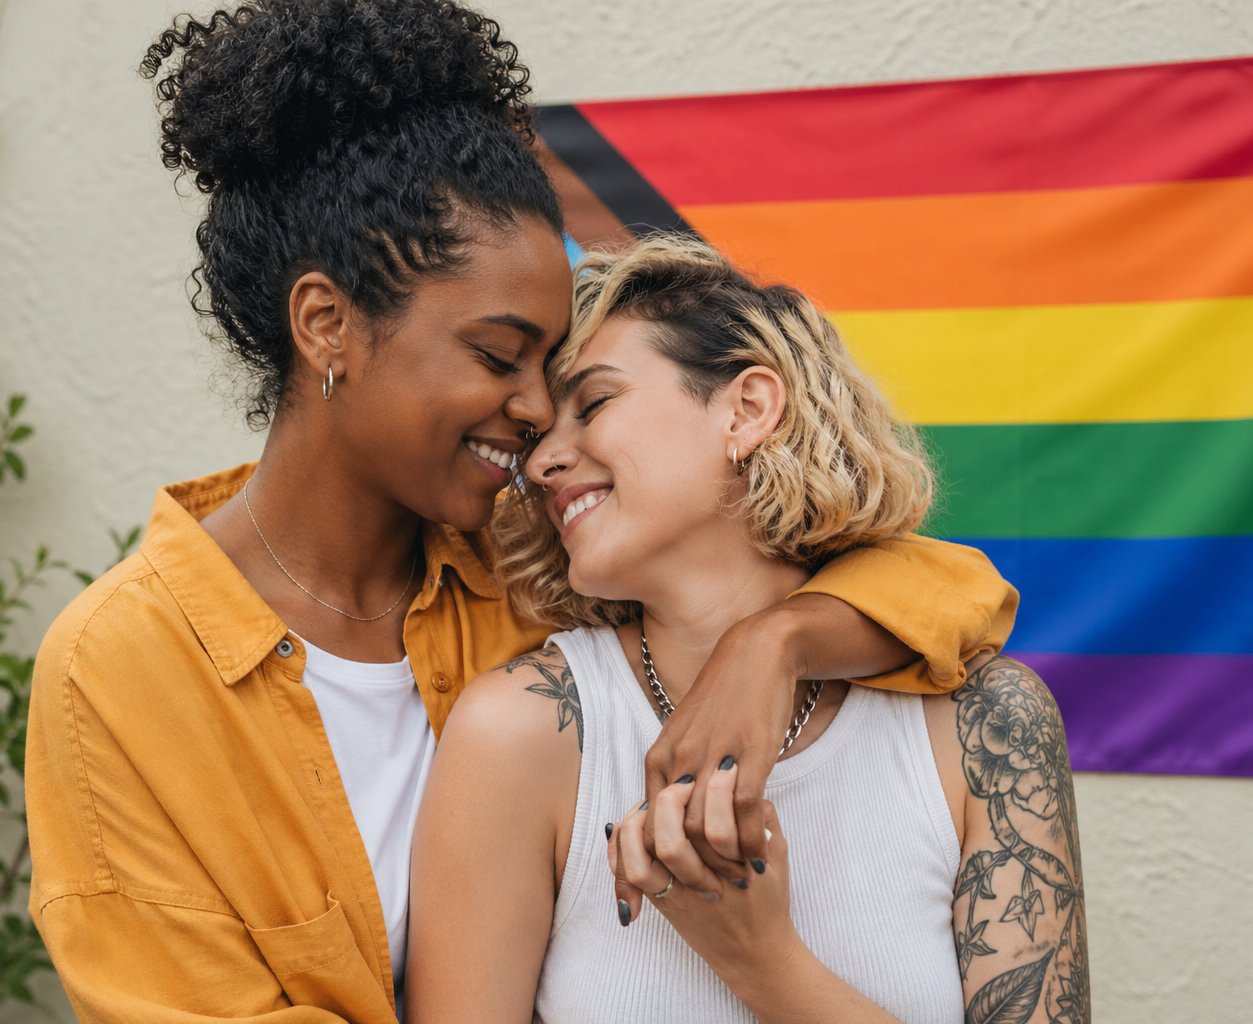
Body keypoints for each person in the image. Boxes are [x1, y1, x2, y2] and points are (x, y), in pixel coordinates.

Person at [24, 3, 1018, 1022]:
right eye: (500, 358)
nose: (541, 418)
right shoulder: (120, 669)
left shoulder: (530, 554)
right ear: (327, 325)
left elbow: (957, 591)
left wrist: (778, 644)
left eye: (553, 368)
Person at [406, 235, 1088, 1024]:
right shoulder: (519, 731)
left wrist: (760, 960)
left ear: (748, 409)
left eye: (594, 404)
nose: (545, 461)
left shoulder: (984, 725)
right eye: (537, 438)